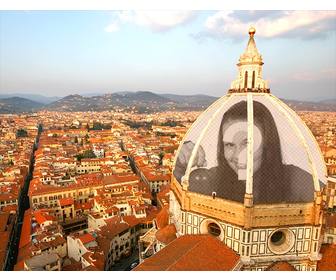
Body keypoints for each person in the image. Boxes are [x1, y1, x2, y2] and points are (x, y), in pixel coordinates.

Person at [181, 100, 315, 204]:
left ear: (268, 144)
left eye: (248, 143)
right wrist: (181, 160)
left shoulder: (296, 180)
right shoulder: (209, 180)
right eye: (229, 145)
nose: (239, 155)